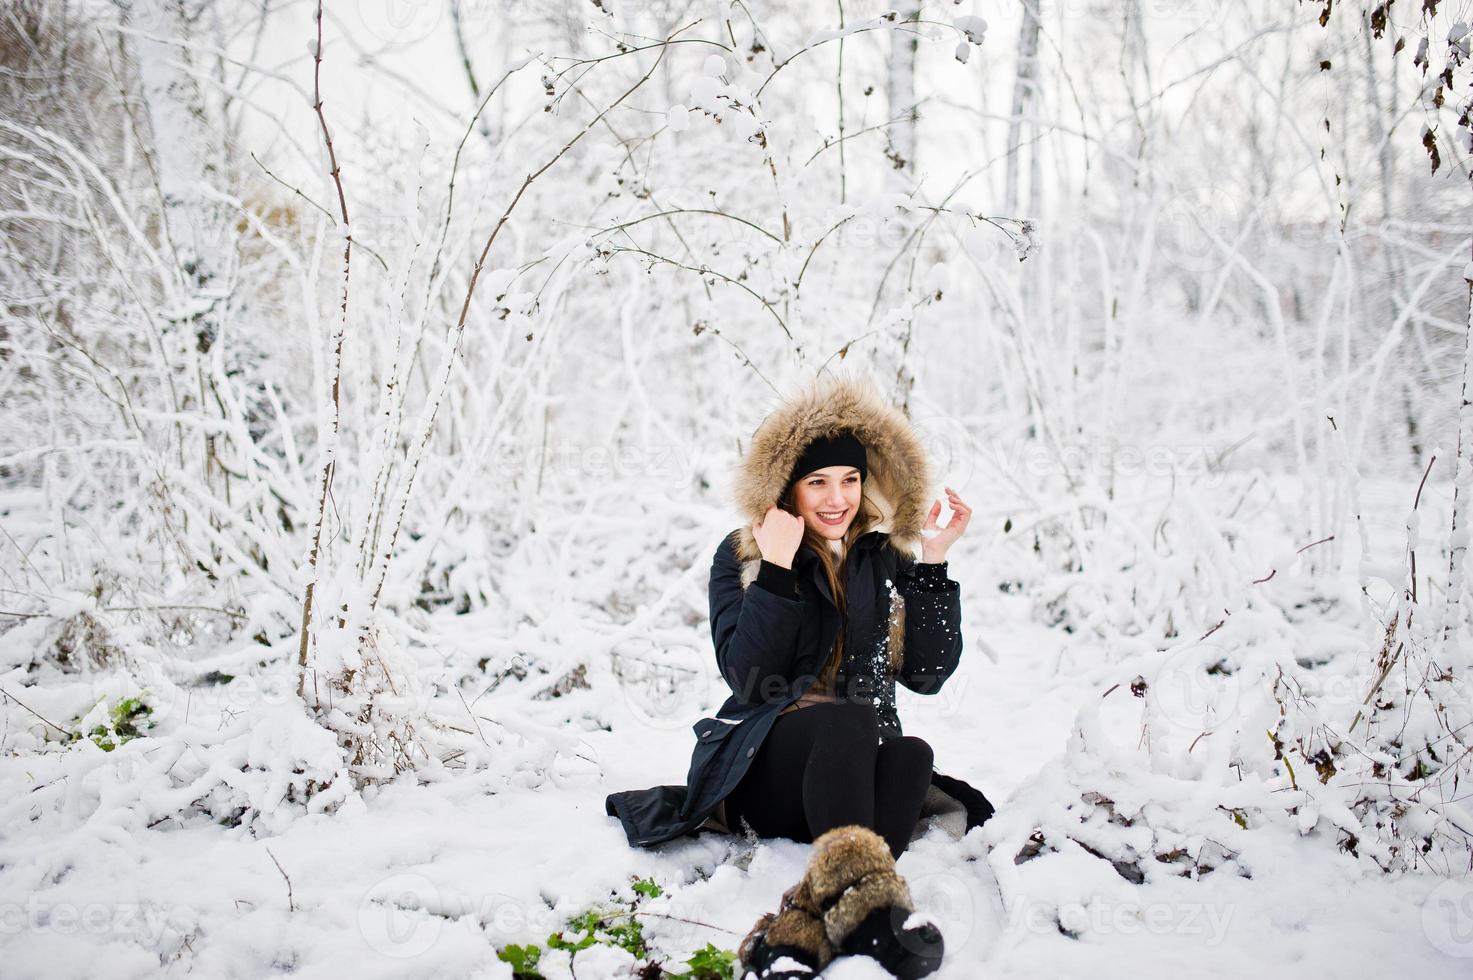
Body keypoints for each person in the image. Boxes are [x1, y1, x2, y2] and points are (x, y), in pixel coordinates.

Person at [604, 371, 995, 856]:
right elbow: (748, 679)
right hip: (762, 773)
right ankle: (854, 886)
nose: (838, 499)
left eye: (850, 480)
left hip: (848, 781)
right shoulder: (745, 555)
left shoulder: (882, 557)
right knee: (848, 719)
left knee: (910, 755)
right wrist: (776, 569)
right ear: (789, 489)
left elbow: (927, 675)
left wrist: (933, 563)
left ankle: (862, 895)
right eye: (818, 482)